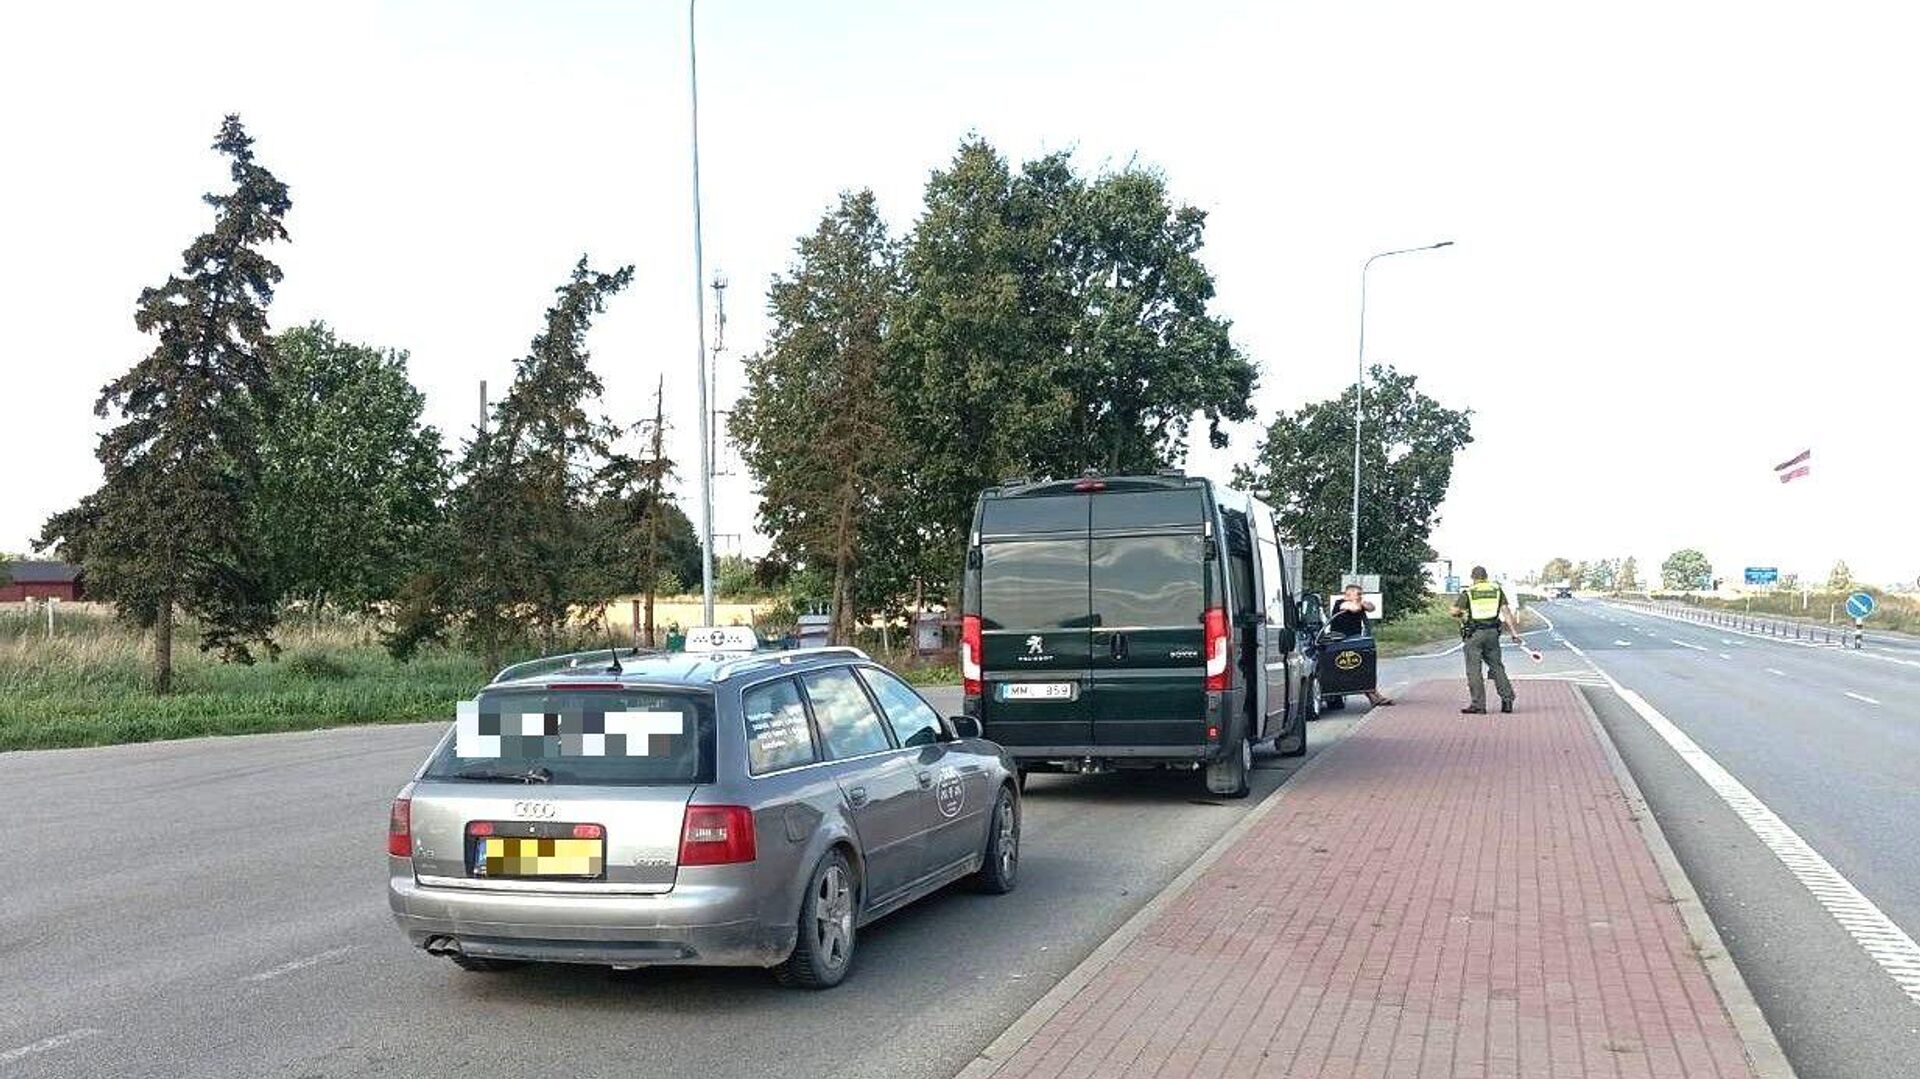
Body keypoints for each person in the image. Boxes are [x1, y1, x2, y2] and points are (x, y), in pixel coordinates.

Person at [1451, 566, 1523, 714]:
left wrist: (1460, 614)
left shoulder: (1469, 592)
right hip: (1493, 634)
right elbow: (1506, 612)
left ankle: (1479, 705)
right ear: (1486, 577)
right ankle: (1507, 700)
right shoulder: (1496, 590)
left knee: (1474, 670)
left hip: (1475, 634)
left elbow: (1454, 611)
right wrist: (1514, 633)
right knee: (1497, 666)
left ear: (1473, 577)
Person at [1325, 585, 1394, 706]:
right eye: (1358, 594)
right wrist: (1359, 603)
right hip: (1341, 642)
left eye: (1361, 594)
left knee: (1363, 668)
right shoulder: (1341, 603)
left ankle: (1374, 696)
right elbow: (1354, 608)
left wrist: (1361, 602)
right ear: (1348, 594)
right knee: (1357, 669)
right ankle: (1374, 696)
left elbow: (1371, 607)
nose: (1360, 596)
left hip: (1354, 641)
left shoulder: (1359, 603)